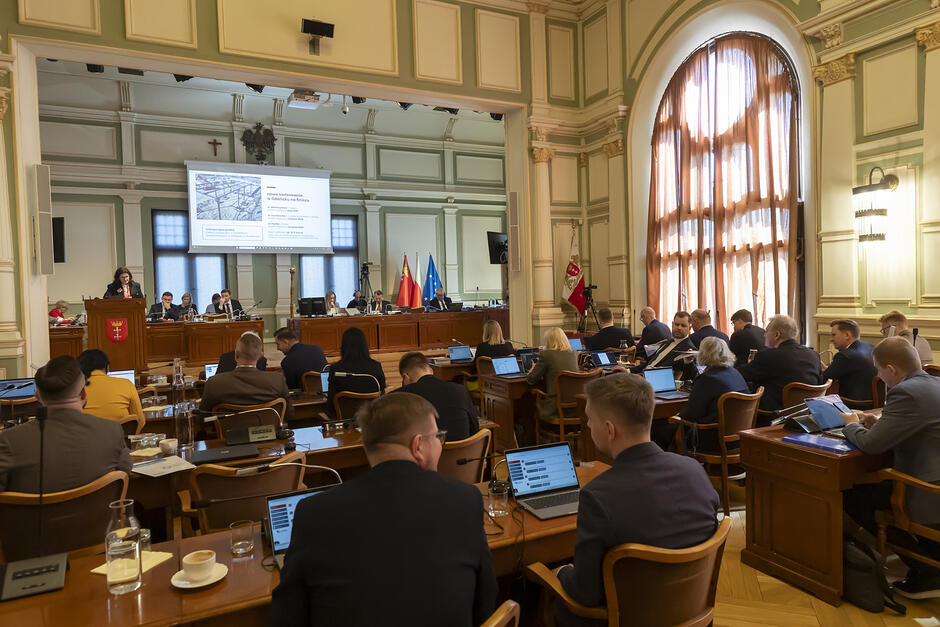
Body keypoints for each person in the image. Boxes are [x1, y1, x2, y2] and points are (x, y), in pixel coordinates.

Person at [268, 393, 497, 626]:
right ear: (418, 445)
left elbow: (288, 615)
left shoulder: (313, 511)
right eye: (438, 437)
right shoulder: (466, 499)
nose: (440, 443)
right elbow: (485, 603)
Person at [553, 373, 718, 626]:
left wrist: (562, 572)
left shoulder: (597, 496)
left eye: (589, 419)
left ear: (609, 429)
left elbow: (585, 594)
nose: (587, 426)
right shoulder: (694, 469)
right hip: (691, 613)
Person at [841, 337, 940, 598]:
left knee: (854, 496)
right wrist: (880, 423)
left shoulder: (905, 392)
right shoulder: (934, 383)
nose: (878, 375)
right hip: (935, 477)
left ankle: (926, 571)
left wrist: (851, 423)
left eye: (879, 369)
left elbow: (872, 446)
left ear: (892, 370)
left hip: (928, 490)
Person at [0, 356, 132, 492]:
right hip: (100, 513)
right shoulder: (111, 431)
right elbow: (125, 473)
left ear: (38, 397)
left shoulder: (9, 441)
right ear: (83, 394)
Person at [671, 337, 749, 453]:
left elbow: (692, 414)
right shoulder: (735, 373)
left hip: (711, 440)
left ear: (703, 354)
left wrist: (677, 416)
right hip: (738, 439)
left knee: (663, 430)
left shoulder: (708, 379)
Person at [737, 314, 824, 411]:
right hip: (807, 413)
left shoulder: (768, 356)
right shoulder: (814, 355)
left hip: (772, 415)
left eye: (766, 331)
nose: (764, 335)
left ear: (777, 335)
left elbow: (741, 375)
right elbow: (820, 383)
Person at [199, 331, 293, 421]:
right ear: (261, 356)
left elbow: (203, 417)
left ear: (236, 355)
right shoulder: (277, 380)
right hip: (271, 434)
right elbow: (288, 414)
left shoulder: (214, 382)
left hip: (227, 435)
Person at [397, 352, 479, 441]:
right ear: (431, 371)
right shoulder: (460, 390)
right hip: (464, 452)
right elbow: (474, 428)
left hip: (425, 453)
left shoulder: (401, 396)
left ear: (406, 377)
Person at [327, 327, 387, 414]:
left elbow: (331, 405)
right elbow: (382, 395)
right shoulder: (376, 366)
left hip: (345, 420)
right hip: (372, 420)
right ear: (364, 345)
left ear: (343, 346)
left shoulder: (336, 369)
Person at [527, 327, 579, 420]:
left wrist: (532, 369)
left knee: (526, 409)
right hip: (575, 407)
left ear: (548, 341)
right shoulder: (574, 353)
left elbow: (531, 380)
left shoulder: (546, 354)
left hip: (554, 408)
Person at [77, 349, 143, 422]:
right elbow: (140, 420)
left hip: (86, 433)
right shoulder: (126, 384)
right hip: (120, 433)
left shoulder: (74, 389)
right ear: (108, 367)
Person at [823, 319, 876, 405]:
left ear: (847, 335)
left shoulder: (845, 356)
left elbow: (823, 379)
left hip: (854, 405)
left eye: (834, 335)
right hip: (873, 402)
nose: (831, 339)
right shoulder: (870, 347)